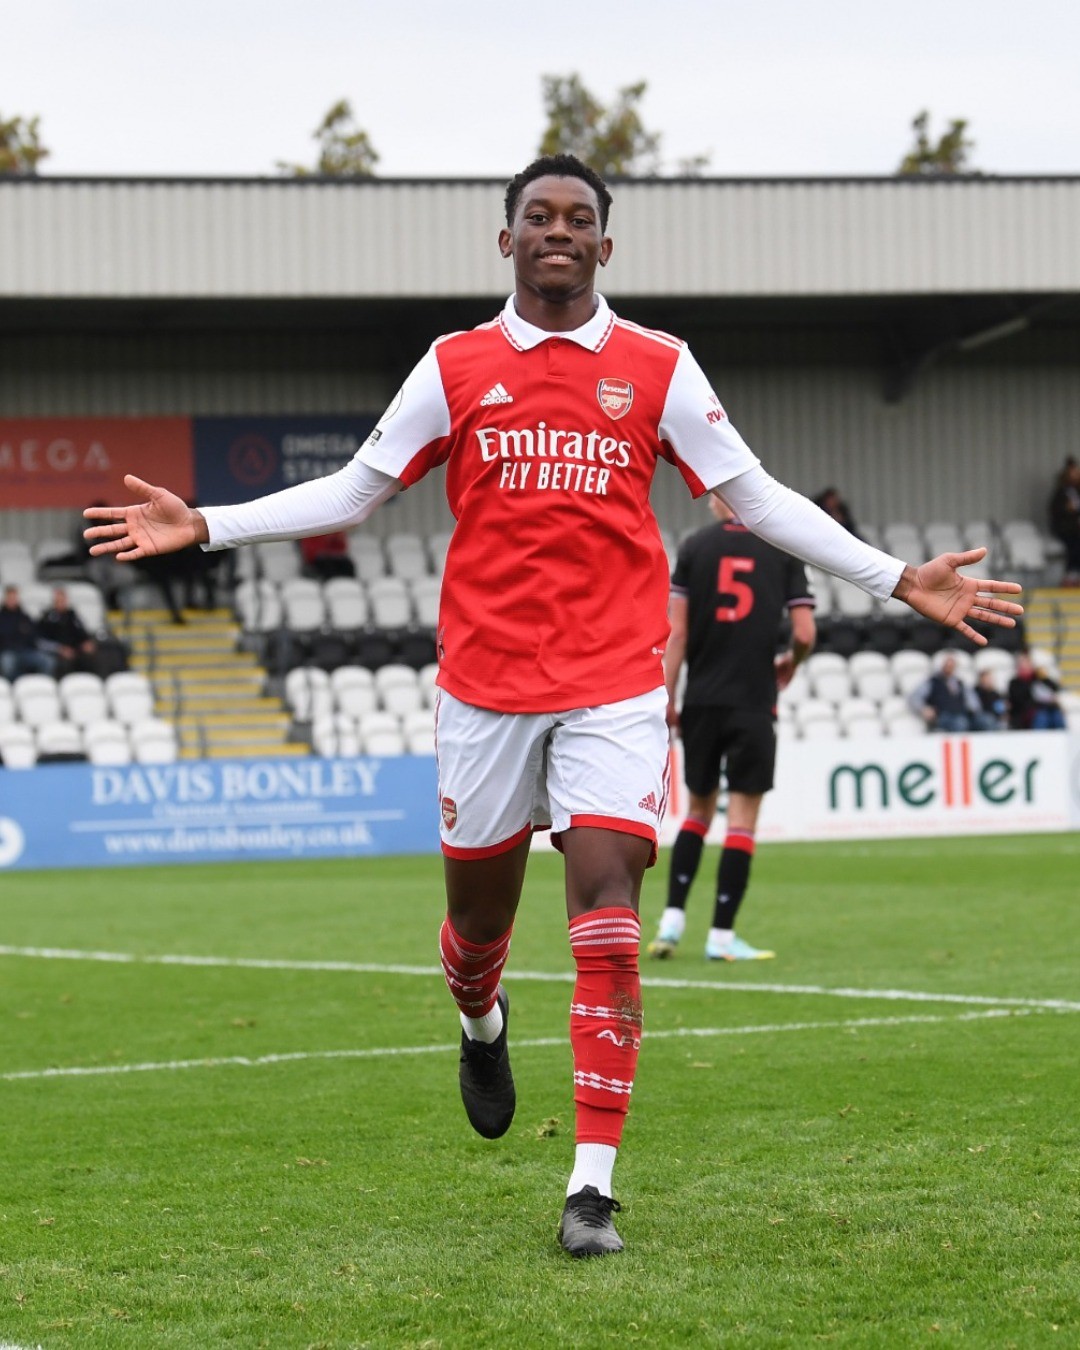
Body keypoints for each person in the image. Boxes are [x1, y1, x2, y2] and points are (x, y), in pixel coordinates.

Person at [83, 153, 1023, 1259]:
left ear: (605, 246)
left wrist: (895, 575)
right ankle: (482, 1026)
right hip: (484, 691)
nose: (559, 231)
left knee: (609, 920)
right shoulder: (454, 365)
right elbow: (355, 488)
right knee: (478, 930)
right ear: (509, 240)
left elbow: (753, 497)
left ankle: (592, 1187)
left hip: (615, 687)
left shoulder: (659, 368)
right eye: (539, 216)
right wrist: (210, 521)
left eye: (579, 217)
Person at [649, 494, 816, 963]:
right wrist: (791, 663)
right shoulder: (782, 549)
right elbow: (804, 633)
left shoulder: (694, 548)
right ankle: (721, 936)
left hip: (702, 700)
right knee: (742, 819)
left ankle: (671, 923)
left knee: (696, 813)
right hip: (753, 702)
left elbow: (676, 633)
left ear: (721, 501)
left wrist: (670, 696)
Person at [908, 653, 996, 732]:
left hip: (963, 714)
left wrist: (974, 711)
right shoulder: (932, 682)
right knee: (960, 723)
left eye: (951, 665)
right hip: (943, 716)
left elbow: (973, 702)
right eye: (947, 665)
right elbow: (915, 697)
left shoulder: (960, 683)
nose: (949, 667)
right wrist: (923, 709)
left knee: (986, 720)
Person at [36, 586, 99, 676]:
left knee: (91, 657)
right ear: (54, 602)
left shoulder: (72, 615)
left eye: (63, 600)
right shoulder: (47, 618)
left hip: (74, 650)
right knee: (64, 664)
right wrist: (59, 649)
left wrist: (86, 642)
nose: (61, 603)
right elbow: (40, 641)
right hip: (57, 653)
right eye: (58, 601)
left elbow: (81, 633)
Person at [0, 585, 54, 680]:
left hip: (26, 651)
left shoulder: (24, 617)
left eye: (14, 598)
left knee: (47, 661)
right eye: (10, 598)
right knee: (7, 663)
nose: (12, 600)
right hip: (7, 652)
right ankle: (13, 689)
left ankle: (40, 685)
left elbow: (34, 636)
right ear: (5, 599)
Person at [1007, 652, 1067, 730]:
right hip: (1026, 713)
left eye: (1028, 662)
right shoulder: (1015, 682)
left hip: (1045, 708)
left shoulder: (1037, 678)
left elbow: (1054, 688)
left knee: (1056, 715)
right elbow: (1019, 700)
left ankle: (1062, 739)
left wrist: (1044, 677)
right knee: (1042, 716)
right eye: (1023, 663)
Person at [1048, 457, 1080, 586]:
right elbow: (1055, 510)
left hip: (1077, 528)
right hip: (1065, 528)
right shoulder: (1060, 493)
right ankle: (1071, 574)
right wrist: (1067, 509)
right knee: (1074, 544)